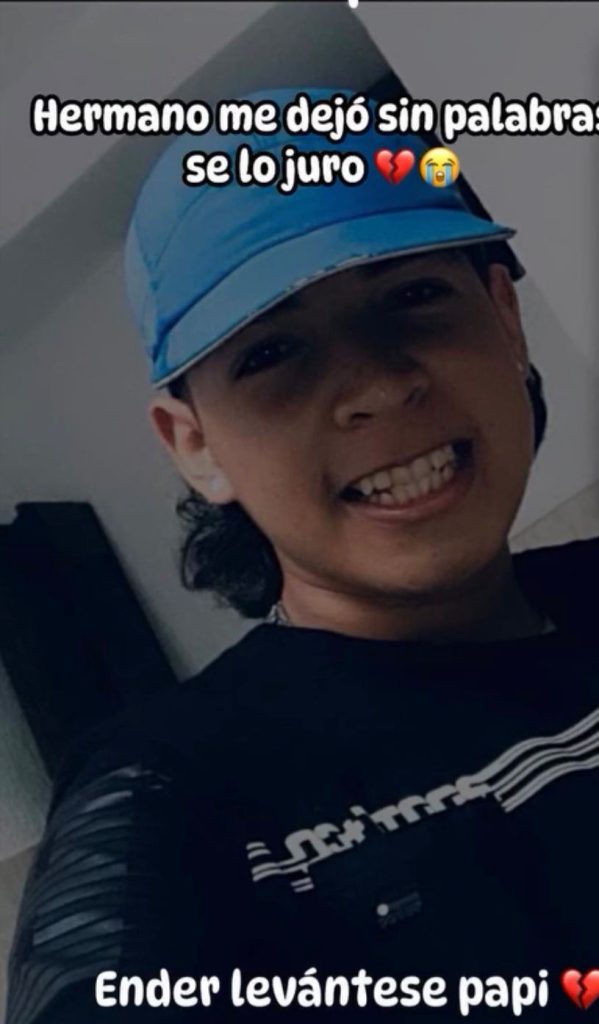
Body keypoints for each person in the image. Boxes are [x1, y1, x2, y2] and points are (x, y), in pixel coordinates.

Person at [6, 88, 598, 1023]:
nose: (377, 385)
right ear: (194, 444)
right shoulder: (168, 794)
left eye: (412, 297)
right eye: (273, 351)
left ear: (504, 320)